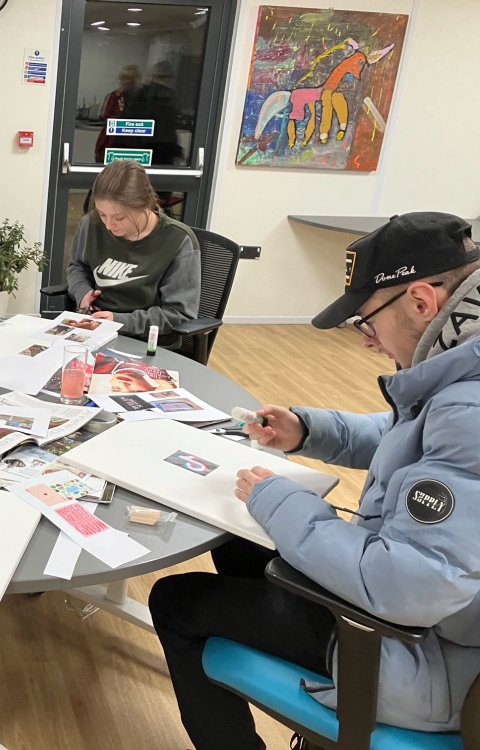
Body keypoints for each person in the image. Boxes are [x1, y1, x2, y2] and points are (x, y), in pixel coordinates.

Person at [148, 212, 480, 749]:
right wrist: (308, 430)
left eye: (367, 321)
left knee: (175, 600)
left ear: (422, 302)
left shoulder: (470, 410)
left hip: (426, 660)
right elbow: (413, 439)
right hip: (435, 625)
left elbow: (410, 585)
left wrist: (280, 500)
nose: (367, 341)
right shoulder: (463, 375)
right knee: (242, 540)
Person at [67, 160, 200, 345]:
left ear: (144, 205)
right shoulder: (91, 223)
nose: (109, 225)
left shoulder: (179, 241)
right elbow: (77, 266)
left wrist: (120, 321)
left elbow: (179, 315)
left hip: (147, 342)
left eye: (119, 217)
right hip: (94, 332)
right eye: (102, 214)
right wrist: (83, 292)